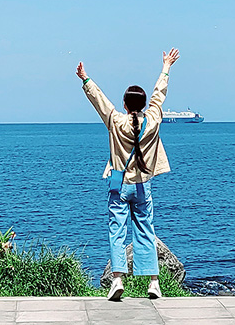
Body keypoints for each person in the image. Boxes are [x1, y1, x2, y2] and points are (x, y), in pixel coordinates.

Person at [76, 48, 180, 301]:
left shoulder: (115, 120)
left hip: (119, 184)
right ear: (143, 105)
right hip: (143, 184)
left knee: (117, 231)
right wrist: (166, 66)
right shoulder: (153, 120)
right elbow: (159, 95)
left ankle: (118, 279)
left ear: (124, 105)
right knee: (145, 230)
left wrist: (85, 79)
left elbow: (99, 101)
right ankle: (153, 283)